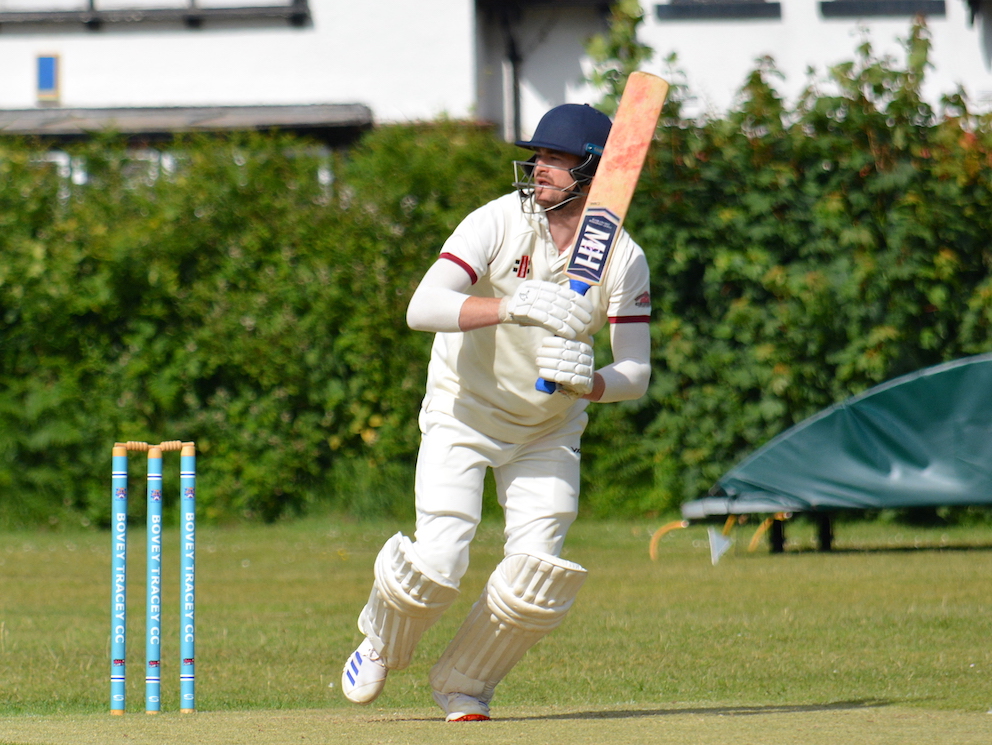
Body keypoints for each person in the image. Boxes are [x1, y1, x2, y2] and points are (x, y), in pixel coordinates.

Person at [340, 103, 652, 722]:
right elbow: (421, 307)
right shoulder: (498, 221)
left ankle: (465, 684)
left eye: (555, 159)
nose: (538, 168)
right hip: (464, 411)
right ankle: (379, 639)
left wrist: (588, 383)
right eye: (537, 155)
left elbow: (635, 374)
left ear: (592, 172)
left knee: (536, 578)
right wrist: (512, 308)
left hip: (547, 430)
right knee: (437, 562)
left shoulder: (624, 258)